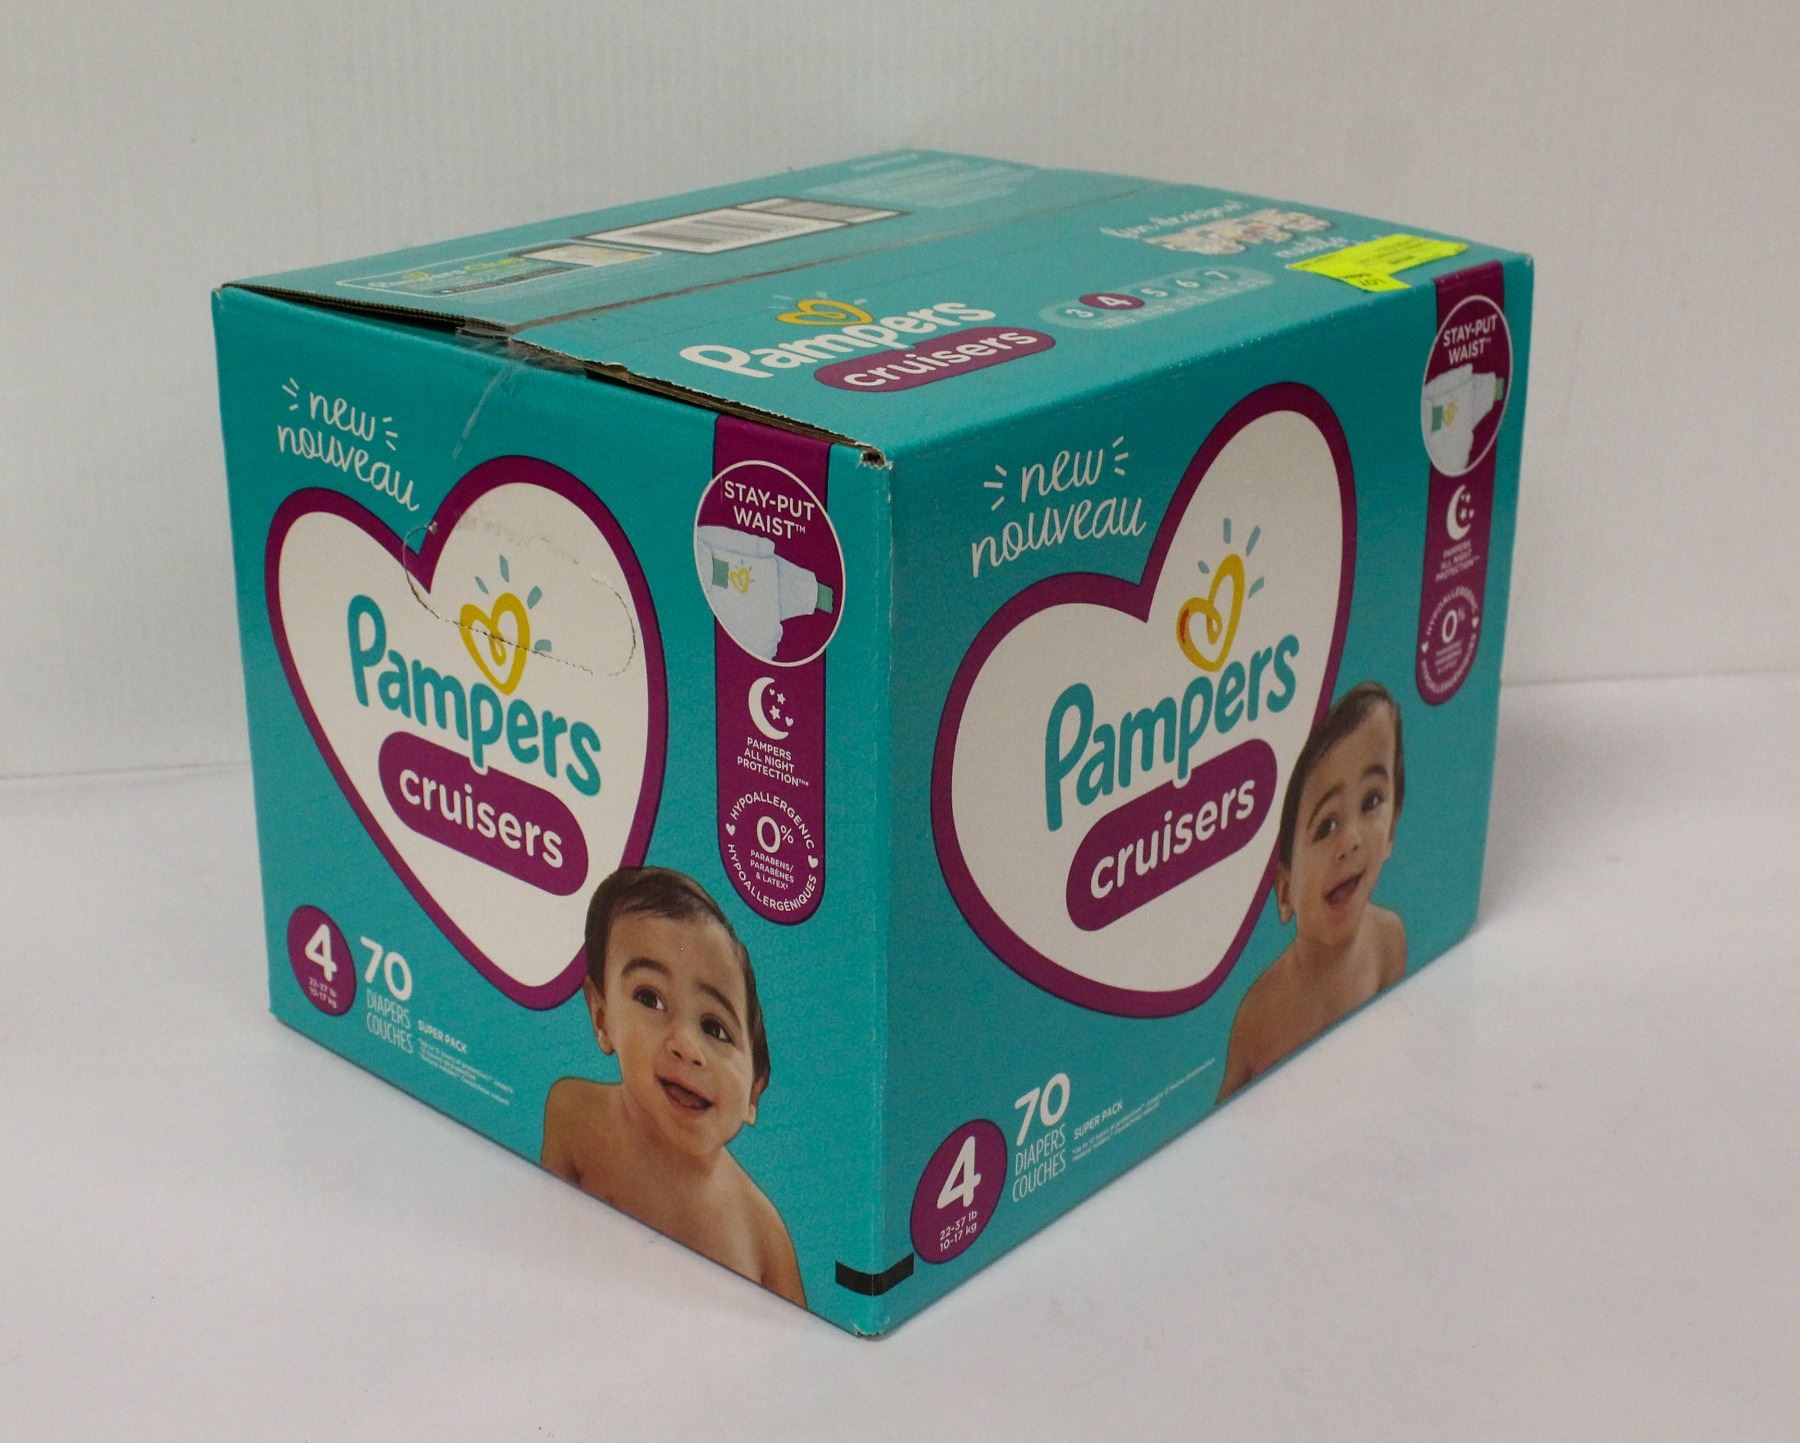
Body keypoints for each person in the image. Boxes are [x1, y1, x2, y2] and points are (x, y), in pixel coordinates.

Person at [541, 867, 804, 1306]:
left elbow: (798, 1336)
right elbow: (547, 1241)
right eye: (651, 999)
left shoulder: (762, 1234)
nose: (686, 1045)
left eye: (715, 1028)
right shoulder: (574, 1116)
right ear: (602, 1018)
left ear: (753, 1093)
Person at [1216, 683, 1408, 1103]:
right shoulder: (1259, 1015)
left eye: (1372, 801)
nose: (1351, 840)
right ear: (1285, 890)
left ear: (1392, 828)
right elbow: (1223, 1108)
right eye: (1327, 826)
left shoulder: (1389, 939)